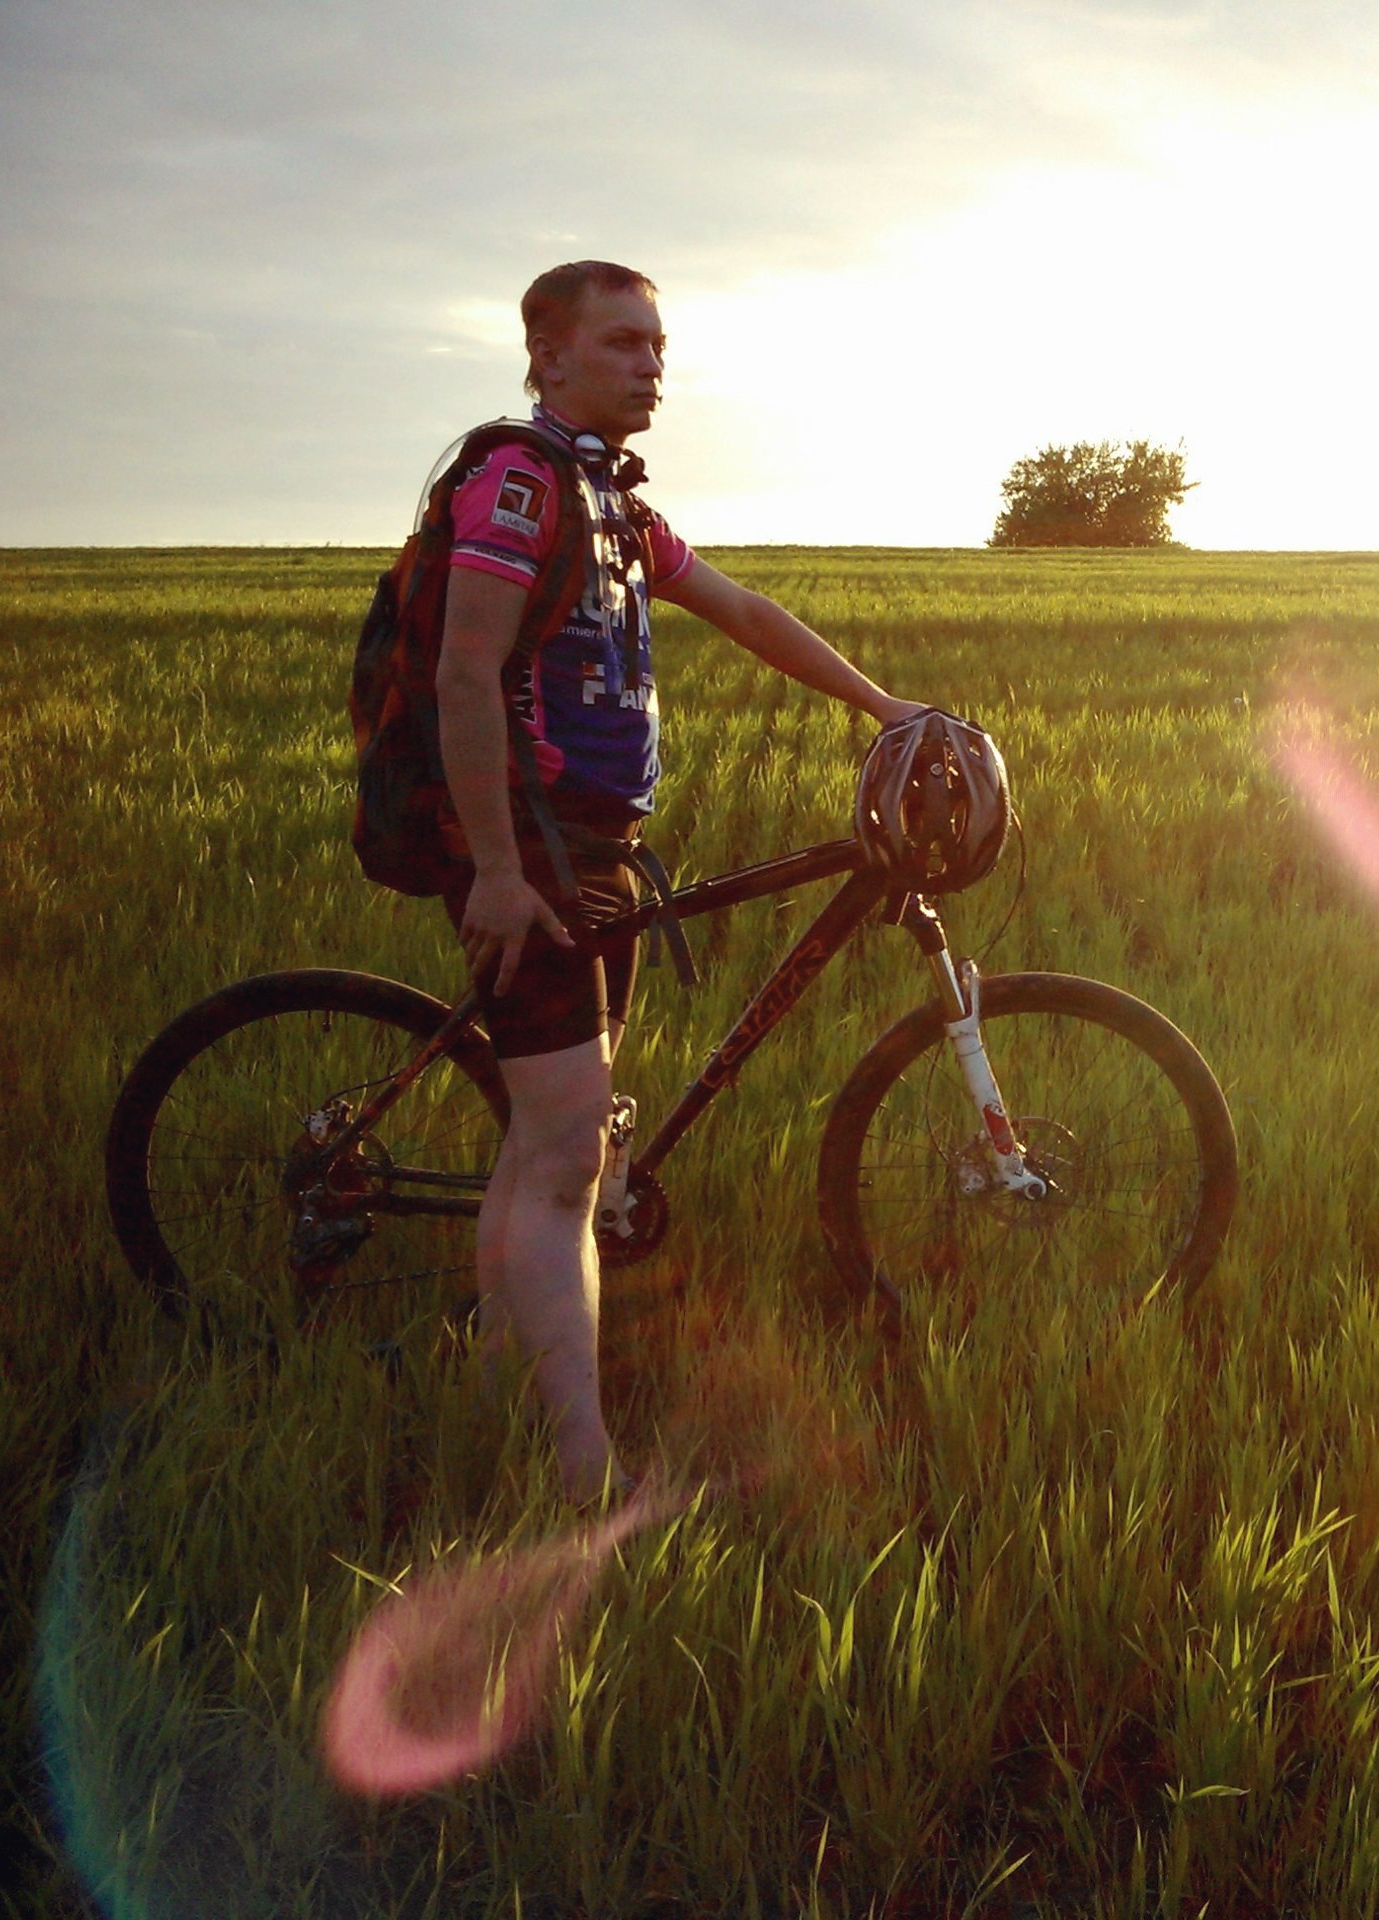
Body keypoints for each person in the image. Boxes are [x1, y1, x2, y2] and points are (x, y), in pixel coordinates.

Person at [436, 259, 923, 1501]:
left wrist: (882, 705)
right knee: (562, 1165)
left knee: (546, 1150)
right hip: (535, 846)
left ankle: (491, 1394)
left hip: (593, 849)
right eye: (621, 343)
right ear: (547, 356)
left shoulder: (612, 504)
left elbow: (744, 610)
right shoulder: (519, 484)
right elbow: (462, 673)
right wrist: (494, 869)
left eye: (658, 344)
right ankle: (580, 1467)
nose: (650, 364)